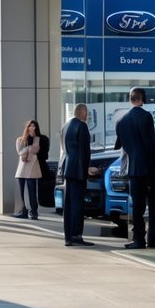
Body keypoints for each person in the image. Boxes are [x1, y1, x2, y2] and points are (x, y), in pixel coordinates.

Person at [114, 87, 155, 249]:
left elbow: (118, 145)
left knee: (137, 206)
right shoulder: (146, 117)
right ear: (142, 98)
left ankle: (138, 239)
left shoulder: (122, 121)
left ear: (130, 99)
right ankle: (153, 238)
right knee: (153, 204)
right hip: (148, 168)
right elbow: (150, 144)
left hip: (133, 169)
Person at [60, 103, 94, 247]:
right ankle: (76, 235)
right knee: (78, 204)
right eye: (87, 113)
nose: (88, 116)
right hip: (78, 170)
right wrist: (87, 169)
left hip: (68, 168)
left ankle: (68, 236)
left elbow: (65, 148)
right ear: (83, 113)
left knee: (68, 204)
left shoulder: (65, 126)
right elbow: (85, 151)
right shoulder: (82, 126)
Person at [14, 119, 42, 219]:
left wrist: (26, 150)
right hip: (22, 168)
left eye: (34, 126)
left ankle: (33, 212)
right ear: (27, 127)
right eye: (30, 126)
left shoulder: (38, 139)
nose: (32, 128)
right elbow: (19, 151)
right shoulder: (19, 140)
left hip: (32, 167)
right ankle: (23, 211)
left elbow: (35, 149)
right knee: (21, 191)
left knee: (32, 191)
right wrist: (27, 150)